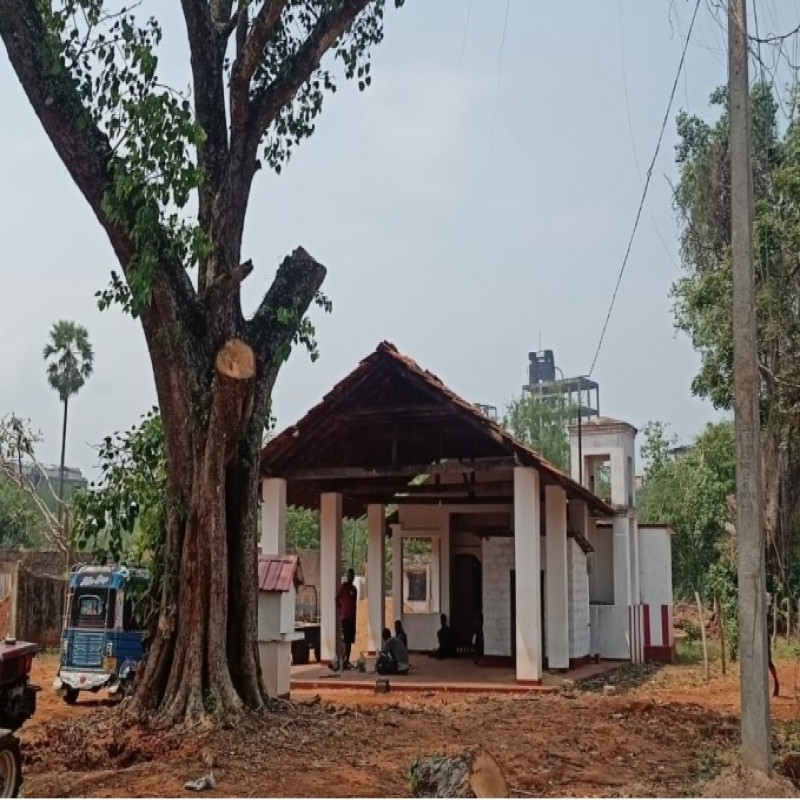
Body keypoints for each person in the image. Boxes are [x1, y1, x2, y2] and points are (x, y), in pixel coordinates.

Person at [335, 568, 358, 669]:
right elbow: (337, 598)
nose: (350, 577)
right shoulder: (344, 587)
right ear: (347, 576)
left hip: (352, 618)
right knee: (346, 640)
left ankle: (347, 660)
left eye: (352, 576)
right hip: (345, 617)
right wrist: (340, 610)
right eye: (349, 575)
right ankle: (344, 660)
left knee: (349, 641)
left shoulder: (354, 589)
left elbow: (354, 604)